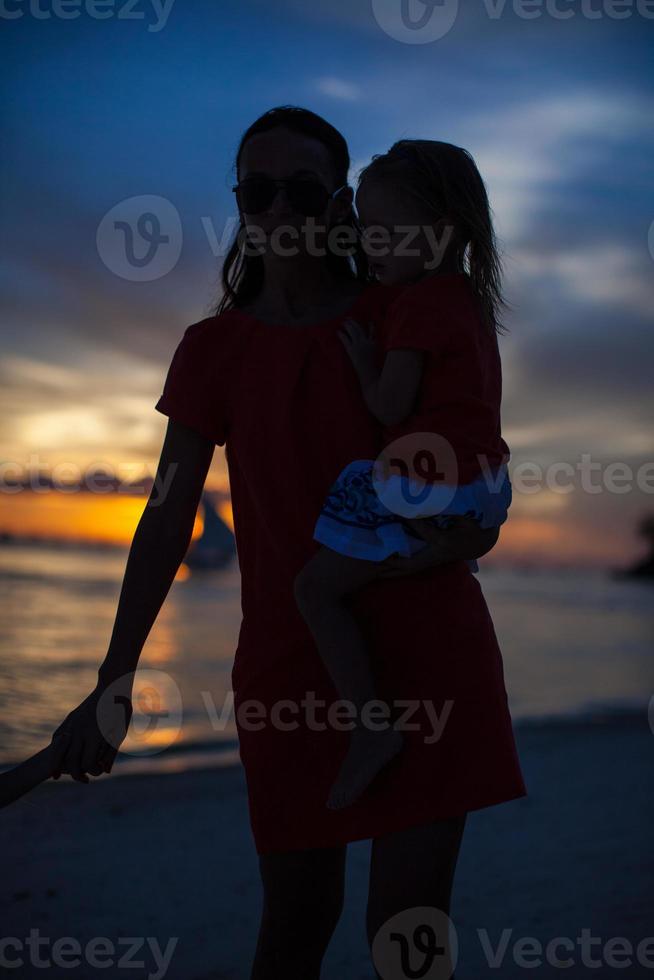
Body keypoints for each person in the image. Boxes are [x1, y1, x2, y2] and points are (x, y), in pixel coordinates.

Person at [48, 106, 527, 980]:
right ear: (239, 200)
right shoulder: (212, 350)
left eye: (302, 189)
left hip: (428, 650)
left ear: (340, 202)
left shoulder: (402, 309)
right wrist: (112, 680)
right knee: (296, 926)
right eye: (257, 189)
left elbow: (470, 447)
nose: (279, 207)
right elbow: (164, 515)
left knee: (406, 935)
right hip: (288, 663)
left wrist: (470, 528)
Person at [293, 139, 514, 812]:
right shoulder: (471, 305)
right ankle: (431, 547)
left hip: (426, 477)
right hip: (484, 481)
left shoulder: (416, 307)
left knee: (314, 591)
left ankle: (370, 728)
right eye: (365, 226)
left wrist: (364, 364)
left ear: (441, 232)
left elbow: (390, 405)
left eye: (386, 231)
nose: (370, 242)